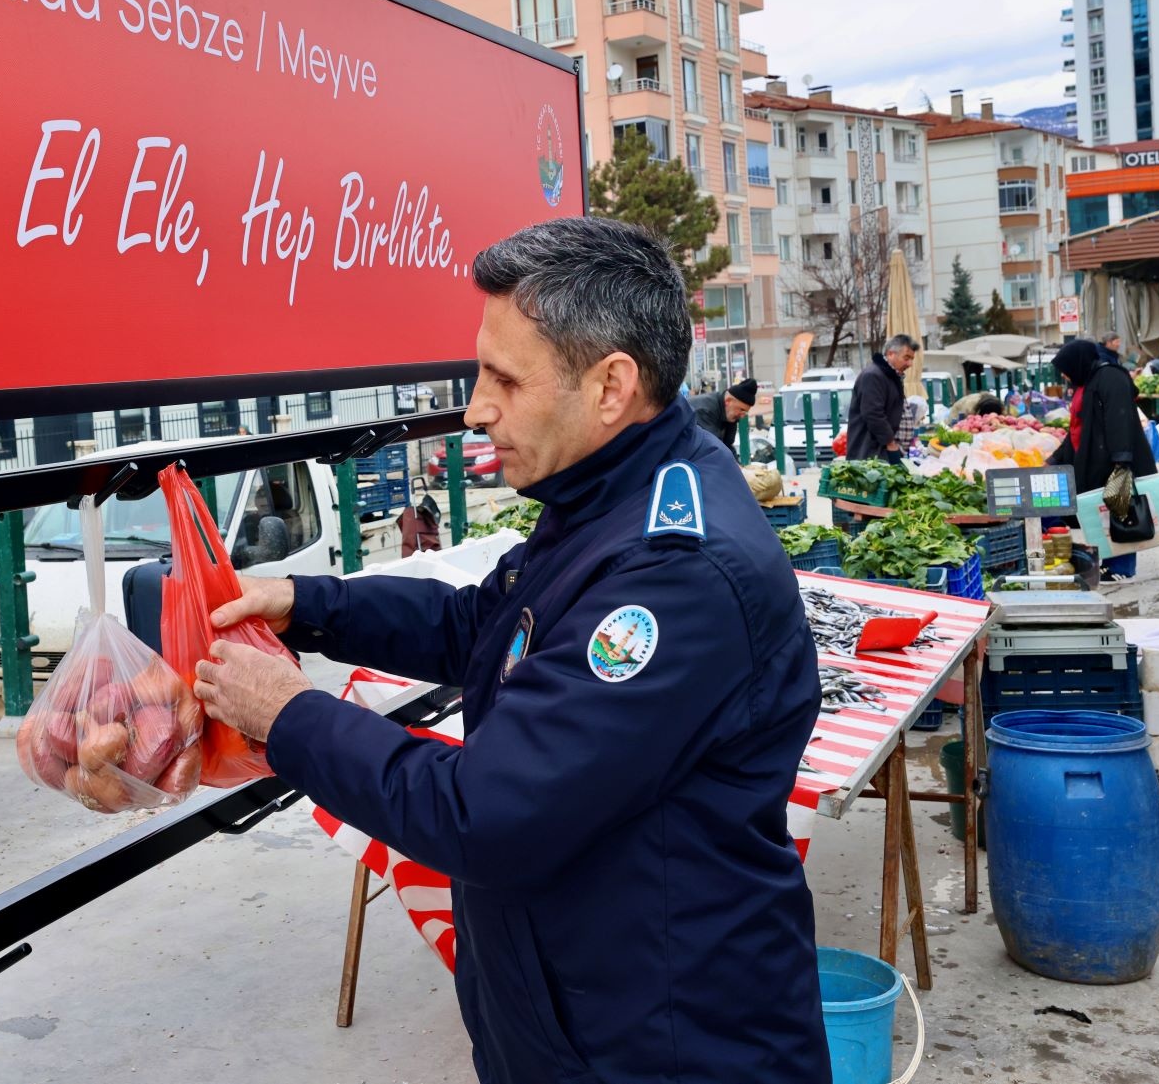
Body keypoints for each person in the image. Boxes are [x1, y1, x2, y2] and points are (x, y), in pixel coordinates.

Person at [192, 217, 831, 1083]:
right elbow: (482, 627)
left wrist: (290, 714)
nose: (476, 406)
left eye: (503, 377)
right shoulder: (606, 495)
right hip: (579, 1020)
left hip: (665, 1048)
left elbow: (485, 815)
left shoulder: (675, 573)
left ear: (611, 386)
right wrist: (307, 604)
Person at [1050, 340, 1158, 581]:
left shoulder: (1110, 377)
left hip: (1112, 459)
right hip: (1090, 457)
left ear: (1077, 363)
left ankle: (1122, 568)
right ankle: (1109, 563)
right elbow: (1078, 426)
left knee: (1121, 510)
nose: (1064, 375)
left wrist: (1121, 461)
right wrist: (1056, 458)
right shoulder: (1085, 382)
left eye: (1065, 368)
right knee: (1104, 514)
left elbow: (1119, 419)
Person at [848, 334, 919, 463]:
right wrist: (890, 443)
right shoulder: (873, 376)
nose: (910, 364)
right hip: (874, 454)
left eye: (912, 359)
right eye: (906, 358)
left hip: (885, 452)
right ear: (891, 354)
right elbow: (873, 414)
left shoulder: (891, 376)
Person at [691, 377, 757, 449]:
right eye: (741, 409)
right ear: (728, 401)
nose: (742, 416)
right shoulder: (705, 410)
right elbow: (713, 449)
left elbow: (728, 447)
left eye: (745, 412)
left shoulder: (730, 415)